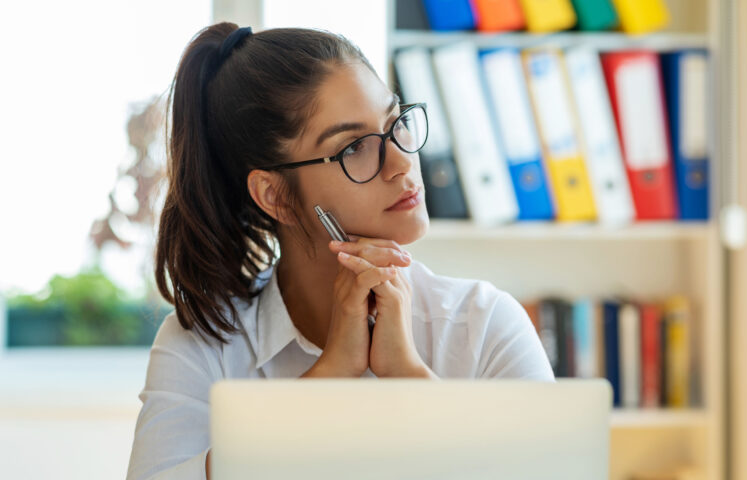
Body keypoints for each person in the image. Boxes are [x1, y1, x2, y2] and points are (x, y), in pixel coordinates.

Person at [126, 22, 554, 480]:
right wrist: (328, 378)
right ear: (275, 196)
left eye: (396, 124)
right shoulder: (205, 345)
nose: (403, 162)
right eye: (354, 148)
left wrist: (408, 374)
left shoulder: (484, 324)